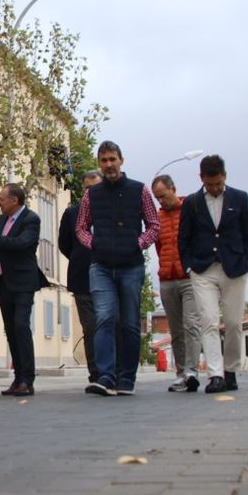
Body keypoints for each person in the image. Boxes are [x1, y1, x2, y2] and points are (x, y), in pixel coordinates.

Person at [75, 141, 159, 397]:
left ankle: (127, 378)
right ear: (99, 163)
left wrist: (137, 244)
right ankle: (106, 377)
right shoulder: (91, 195)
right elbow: (81, 228)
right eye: (104, 160)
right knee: (104, 319)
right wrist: (94, 244)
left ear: (121, 160)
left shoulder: (140, 190)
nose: (109, 164)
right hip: (101, 266)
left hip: (131, 266)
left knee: (130, 323)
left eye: (112, 159)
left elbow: (154, 225)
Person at [178, 154, 248, 394]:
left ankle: (230, 370)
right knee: (209, 321)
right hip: (203, 270)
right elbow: (183, 238)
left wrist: (247, 263)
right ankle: (215, 375)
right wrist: (189, 265)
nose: (214, 188)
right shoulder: (191, 203)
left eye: (218, 183)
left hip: (234, 268)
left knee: (233, 323)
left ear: (225, 176)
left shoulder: (240, 198)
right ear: (201, 178)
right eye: (210, 184)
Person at [0, 183, 46, 397]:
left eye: (2, 199)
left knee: (21, 326)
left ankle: (28, 380)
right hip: (4, 283)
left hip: (23, 283)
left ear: (14, 200)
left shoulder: (31, 219)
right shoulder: (2, 220)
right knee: (11, 330)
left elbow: (20, 243)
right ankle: (18, 377)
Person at [151, 174, 200, 393]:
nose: (161, 201)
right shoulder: (157, 218)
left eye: (164, 196)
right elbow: (159, 247)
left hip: (189, 277)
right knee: (176, 329)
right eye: (157, 198)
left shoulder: (190, 210)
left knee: (191, 324)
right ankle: (181, 374)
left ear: (173, 189)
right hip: (167, 279)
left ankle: (192, 371)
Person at [57, 170, 103, 383]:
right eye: (88, 189)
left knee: (111, 324)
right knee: (91, 327)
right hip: (82, 278)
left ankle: (114, 370)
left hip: (109, 277)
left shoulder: (111, 211)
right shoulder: (71, 214)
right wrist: (80, 257)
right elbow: (64, 244)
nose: (92, 193)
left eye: (96, 188)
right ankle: (96, 373)